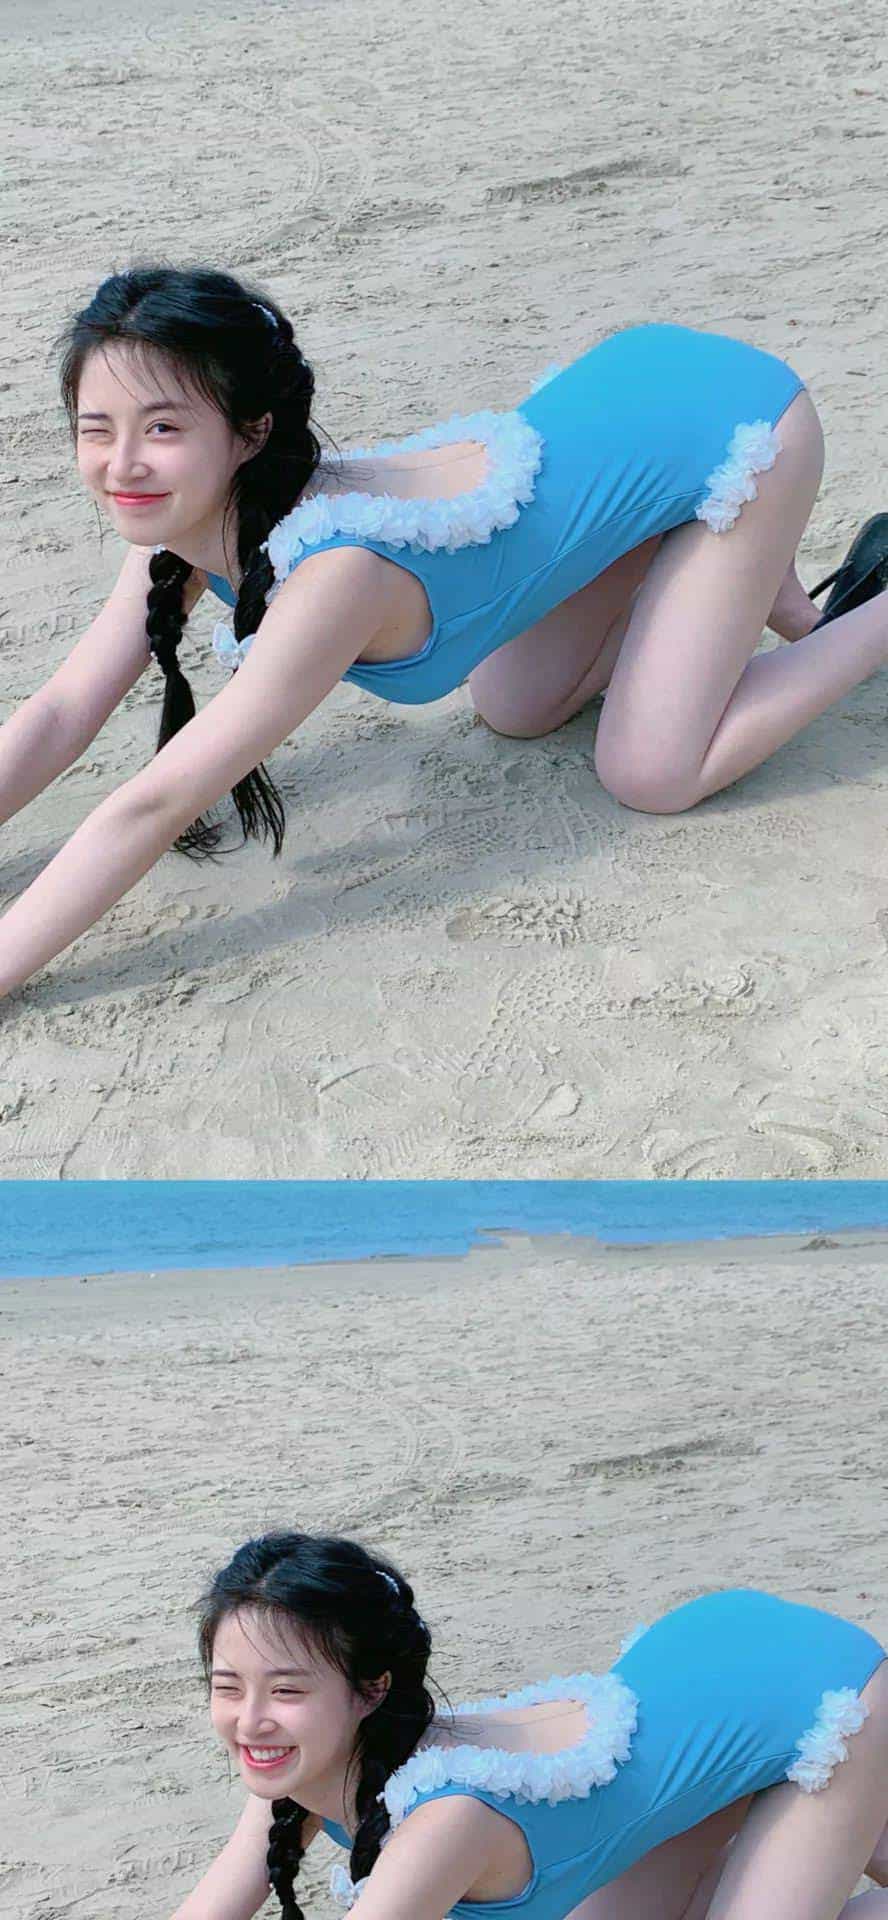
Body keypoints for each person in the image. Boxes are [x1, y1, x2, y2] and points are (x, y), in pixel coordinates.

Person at [2, 263, 887, 997]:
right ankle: (737, 570)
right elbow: (60, 713)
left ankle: (838, 596)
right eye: (96, 430)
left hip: (735, 418)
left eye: (162, 427)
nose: (122, 465)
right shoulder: (179, 531)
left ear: (250, 432)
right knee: (516, 705)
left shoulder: (332, 577)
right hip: (635, 406)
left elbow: (156, 800)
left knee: (652, 771)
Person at [169, 1529, 888, 1920]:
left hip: (812, 1688)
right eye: (227, 1687)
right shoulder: (293, 1770)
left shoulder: (443, 1824)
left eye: (286, 1690)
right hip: (702, 1684)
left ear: (370, 1690)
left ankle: (847, 1804)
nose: (251, 1721)